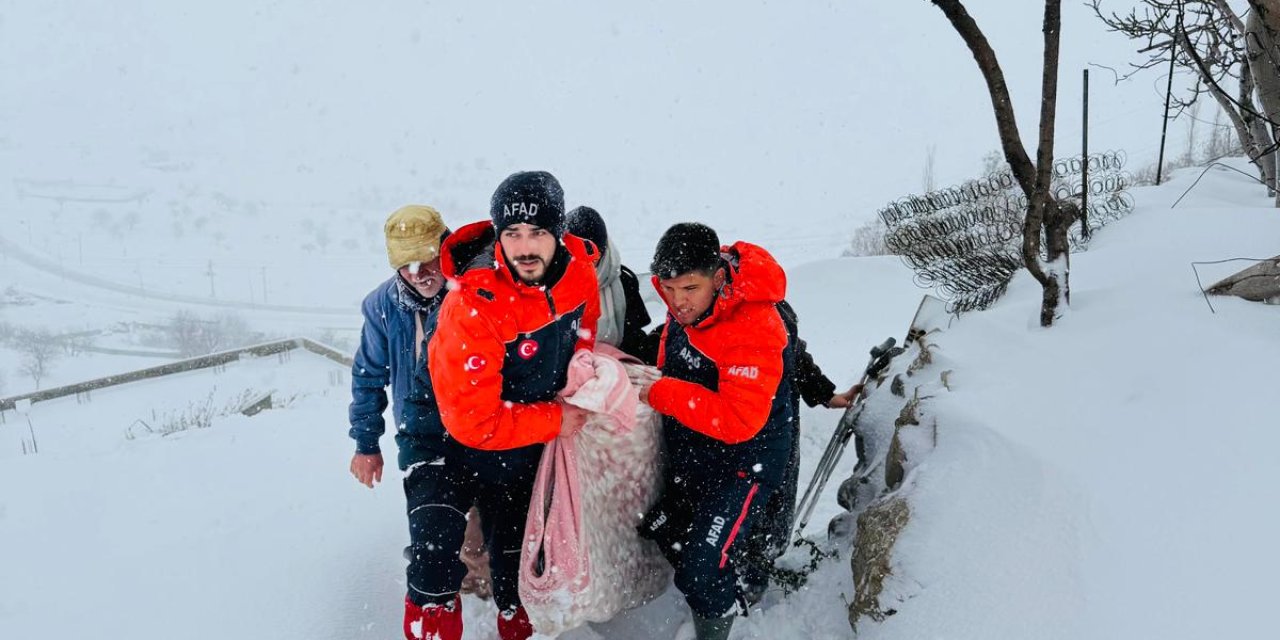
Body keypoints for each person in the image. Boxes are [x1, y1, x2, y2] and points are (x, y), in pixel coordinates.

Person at [398, 170, 601, 640]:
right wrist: (558, 418)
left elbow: (586, 324)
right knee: (435, 566)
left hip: (517, 442)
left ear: (559, 234)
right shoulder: (473, 303)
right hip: (444, 441)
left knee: (516, 574)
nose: (525, 247)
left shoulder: (579, 272)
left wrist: (583, 366)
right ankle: (432, 624)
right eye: (512, 234)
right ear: (497, 235)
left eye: (538, 233)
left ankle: (515, 624)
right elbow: (474, 423)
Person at [634, 222, 795, 640]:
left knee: (701, 569)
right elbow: (674, 350)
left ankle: (718, 619)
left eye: (689, 289)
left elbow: (739, 421)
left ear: (718, 278)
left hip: (745, 463)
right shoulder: (690, 309)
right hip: (699, 454)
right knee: (665, 528)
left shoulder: (755, 326)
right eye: (667, 289)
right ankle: (732, 579)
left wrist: (660, 392)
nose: (677, 302)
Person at [346, 205, 492, 630]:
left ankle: (486, 585)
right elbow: (369, 376)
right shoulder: (382, 307)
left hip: (486, 434)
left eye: (427, 259)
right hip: (424, 439)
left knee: (490, 538)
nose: (419, 272)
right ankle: (444, 598)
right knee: (432, 545)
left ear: (445, 251)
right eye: (405, 264)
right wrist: (365, 443)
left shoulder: (476, 294)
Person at [564, 205, 651, 357]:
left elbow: (634, 340)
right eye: (577, 257)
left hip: (614, 369)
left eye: (594, 258)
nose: (587, 265)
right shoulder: (549, 286)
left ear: (604, 252)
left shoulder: (624, 282)